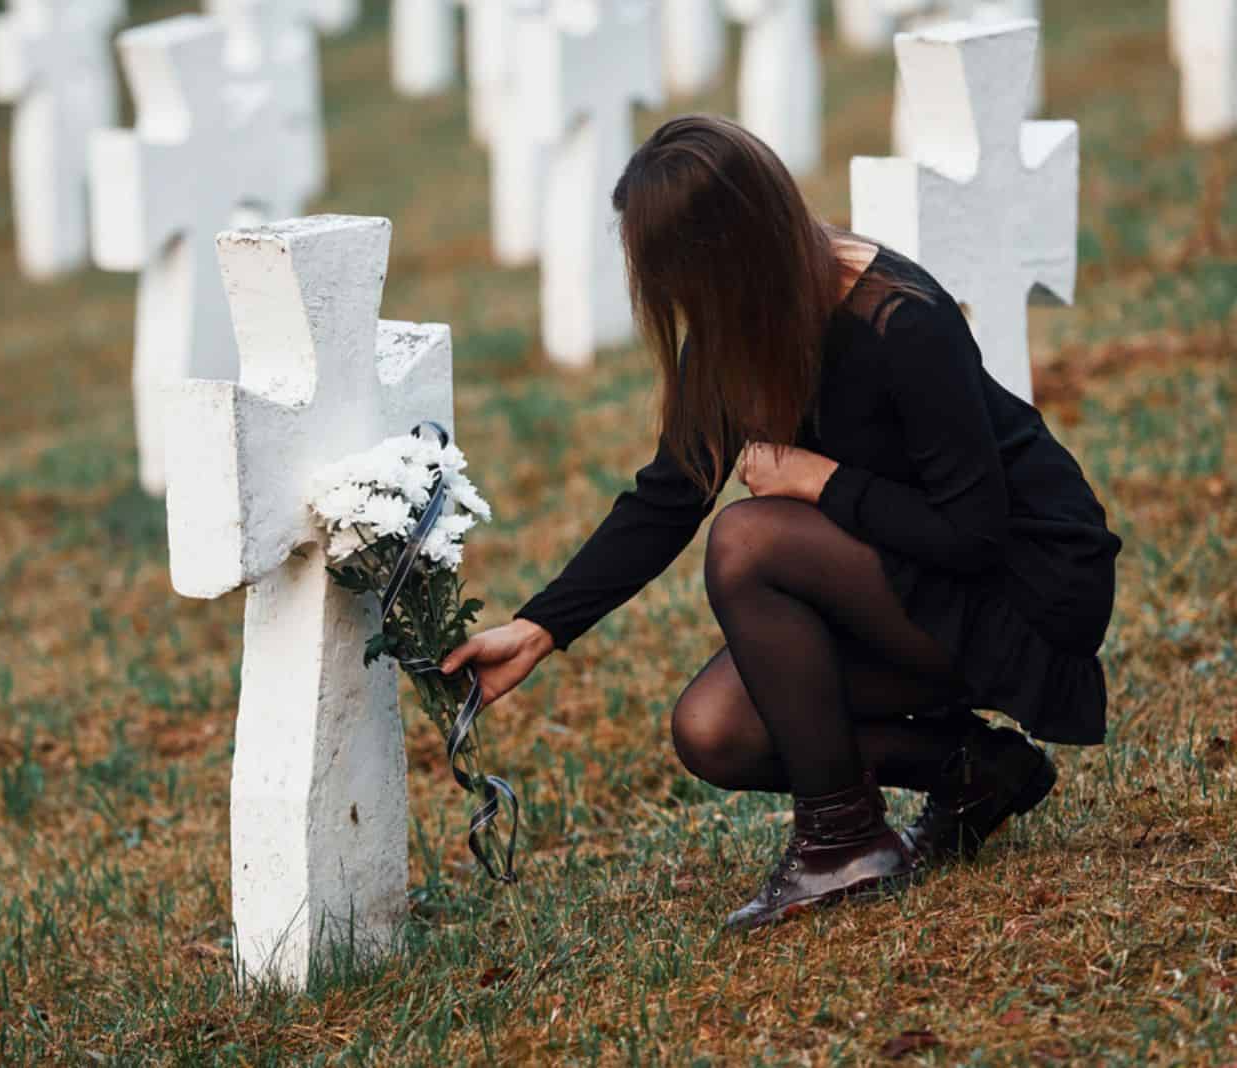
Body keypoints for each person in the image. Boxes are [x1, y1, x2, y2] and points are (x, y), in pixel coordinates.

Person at [440, 114, 1122, 931]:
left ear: (729, 252)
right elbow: (669, 496)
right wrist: (541, 627)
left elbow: (974, 532)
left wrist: (817, 479)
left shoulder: (899, 321)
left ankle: (843, 842)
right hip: (906, 583)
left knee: (748, 538)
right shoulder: (740, 327)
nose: (674, 301)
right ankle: (974, 770)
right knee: (716, 730)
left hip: (1023, 586)